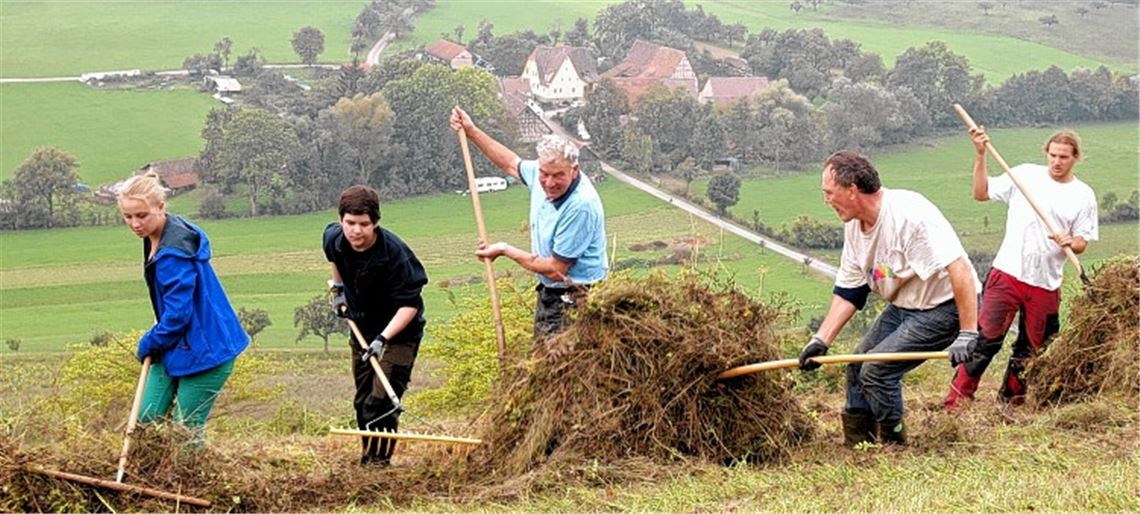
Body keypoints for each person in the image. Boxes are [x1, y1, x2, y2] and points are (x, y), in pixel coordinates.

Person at [797, 151, 981, 446]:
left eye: (829, 193)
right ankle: (859, 444)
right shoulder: (855, 227)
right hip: (904, 307)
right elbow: (850, 291)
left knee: (876, 370)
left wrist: (968, 332)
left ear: (852, 190)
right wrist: (820, 341)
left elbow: (960, 269)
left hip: (944, 308)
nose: (826, 200)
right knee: (857, 365)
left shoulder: (910, 215)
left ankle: (895, 443)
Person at [944, 129, 1098, 409]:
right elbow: (981, 193)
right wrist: (980, 155)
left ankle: (1011, 403)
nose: (1057, 162)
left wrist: (1070, 241)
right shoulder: (1024, 175)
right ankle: (957, 401)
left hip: (1046, 283)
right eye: (1052, 155)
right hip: (1008, 273)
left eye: (1064, 157)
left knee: (1032, 348)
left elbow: (1082, 242)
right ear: (1046, 154)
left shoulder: (1083, 195)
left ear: (1076, 158)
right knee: (986, 340)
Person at [449, 106, 608, 337]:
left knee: (555, 367)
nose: (549, 182)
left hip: (576, 299)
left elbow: (556, 270)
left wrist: (505, 250)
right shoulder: (540, 173)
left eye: (558, 176)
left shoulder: (581, 206)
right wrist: (472, 132)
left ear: (575, 170)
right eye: (545, 173)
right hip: (552, 293)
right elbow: (510, 164)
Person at [118, 172, 248, 447]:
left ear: (161, 207)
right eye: (128, 217)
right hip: (176, 344)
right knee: (146, 419)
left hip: (208, 349)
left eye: (141, 215)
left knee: (185, 433)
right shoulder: (157, 235)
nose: (135, 224)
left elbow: (178, 315)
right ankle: (150, 478)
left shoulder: (173, 255)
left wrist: (149, 341)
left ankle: (186, 484)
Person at [324, 185, 428, 466]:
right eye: (350, 223)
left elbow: (410, 304)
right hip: (361, 329)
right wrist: (338, 290)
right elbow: (334, 258)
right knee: (362, 402)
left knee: (379, 402)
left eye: (364, 224)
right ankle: (368, 457)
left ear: (375, 223)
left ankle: (379, 464)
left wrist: (382, 339)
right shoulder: (334, 237)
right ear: (342, 220)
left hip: (399, 335)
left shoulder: (395, 254)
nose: (356, 231)